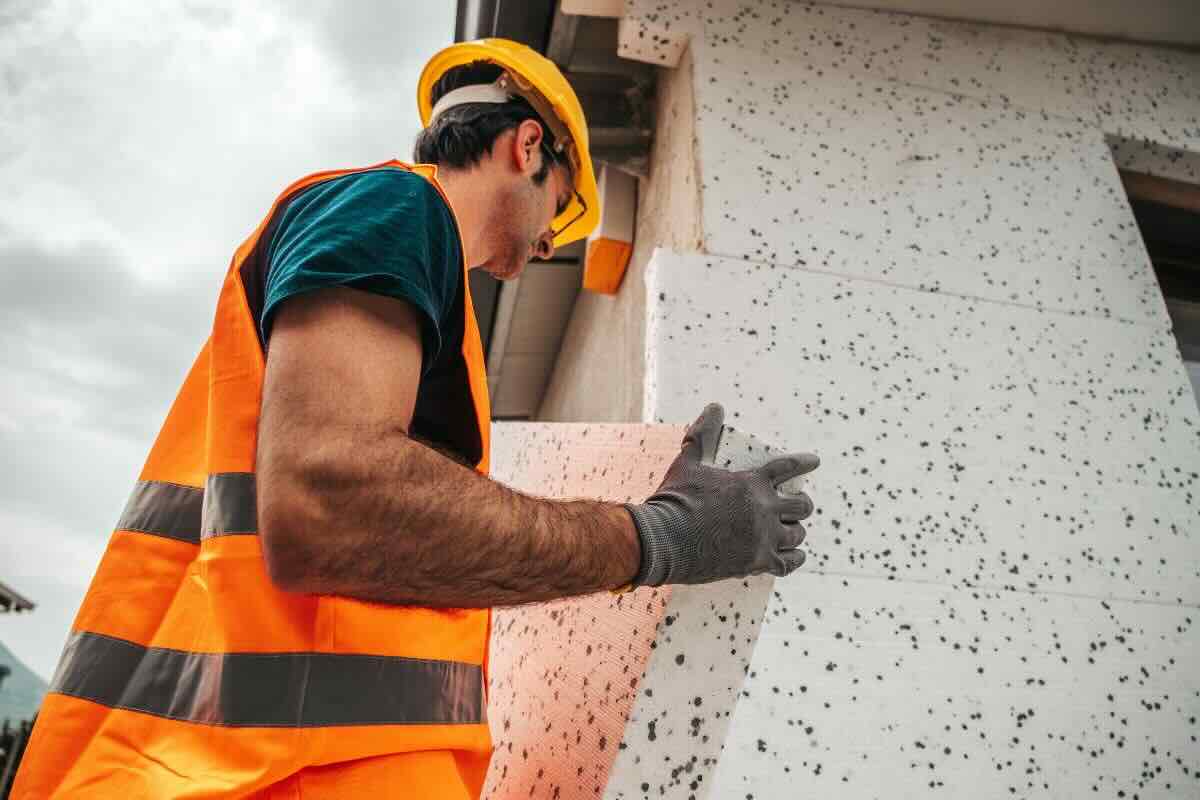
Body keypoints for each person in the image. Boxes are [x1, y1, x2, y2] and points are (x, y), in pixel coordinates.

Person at [12, 38, 817, 799]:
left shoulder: (420, 277)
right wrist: (660, 537)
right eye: (562, 211)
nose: (548, 246)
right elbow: (332, 506)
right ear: (528, 148)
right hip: (263, 774)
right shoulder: (396, 206)